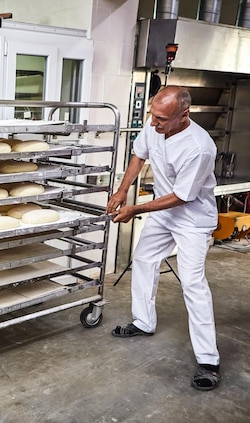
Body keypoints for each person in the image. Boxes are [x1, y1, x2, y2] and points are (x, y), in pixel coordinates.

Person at [106, 86, 220, 391]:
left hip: (192, 220)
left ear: (184, 115)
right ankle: (143, 322)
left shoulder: (199, 147)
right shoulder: (155, 122)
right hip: (163, 212)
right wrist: (121, 191)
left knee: (193, 283)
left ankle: (208, 361)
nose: (154, 123)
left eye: (162, 119)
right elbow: (139, 155)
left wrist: (136, 208)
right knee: (143, 259)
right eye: (152, 115)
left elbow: (182, 196)